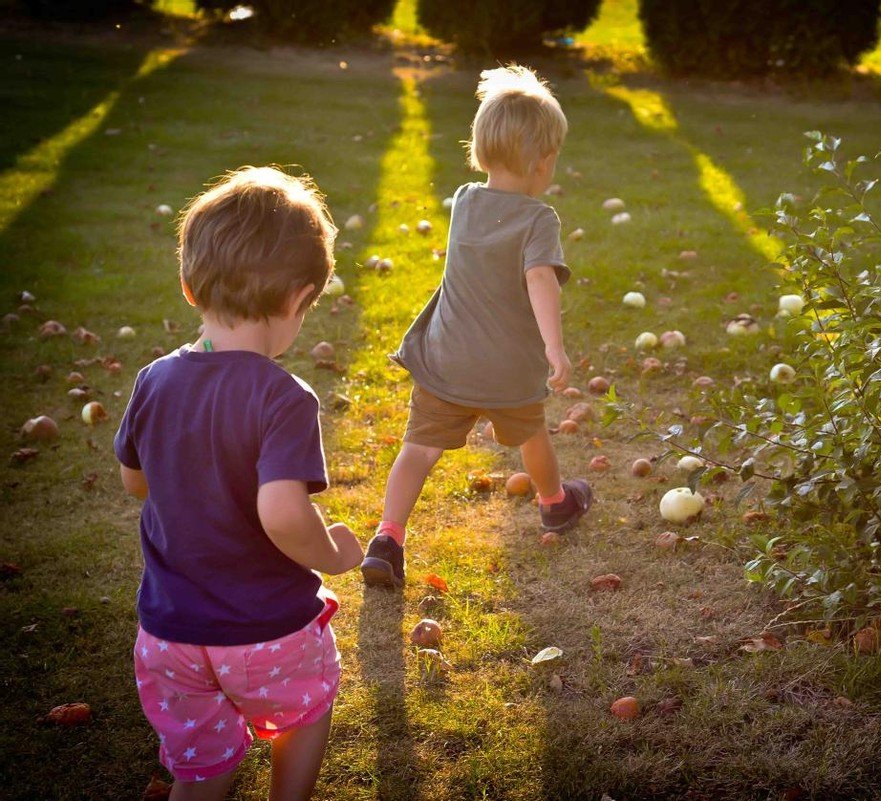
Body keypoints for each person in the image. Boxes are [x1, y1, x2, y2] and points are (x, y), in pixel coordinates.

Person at [114, 166, 363, 800]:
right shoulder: (283, 398)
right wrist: (332, 552)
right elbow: (282, 514)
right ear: (298, 300)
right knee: (305, 710)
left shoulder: (153, 380)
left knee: (202, 768)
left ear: (189, 287)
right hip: (265, 632)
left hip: (167, 635)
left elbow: (133, 481)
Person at [360, 65, 592, 589]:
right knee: (531, 433)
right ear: (544, 161)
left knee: (418, 448)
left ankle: (388, 538)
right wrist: (555, 348)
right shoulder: (540, 220)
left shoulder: (464, 202)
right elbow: (540, 278)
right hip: (507, 371)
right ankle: (555, 503)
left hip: (446, 360)